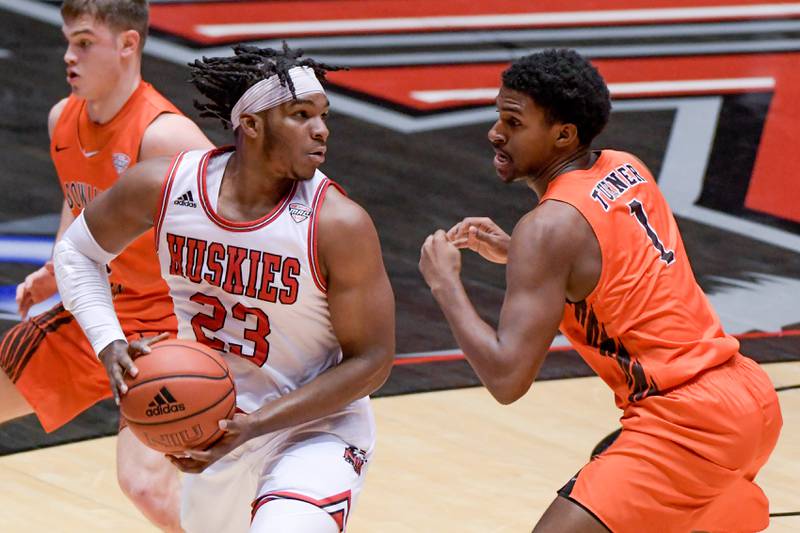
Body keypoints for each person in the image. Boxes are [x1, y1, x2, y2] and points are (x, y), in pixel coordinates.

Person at [419, 49, 782, 533]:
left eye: (514, 122)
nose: (495, 133)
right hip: (747, 395)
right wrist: (518, 254)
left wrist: (446, 285)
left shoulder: (547, 229)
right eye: (499, 117)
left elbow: (507, 379)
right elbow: (621, 263)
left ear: (564, 134)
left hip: (686, 423)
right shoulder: (624, 167)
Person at [53, 43, 395, 532]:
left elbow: (373, 361)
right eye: (301, 115)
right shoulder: (167, 187)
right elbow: (76, 253)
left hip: (315, 430)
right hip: (214, 430)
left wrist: (256, 425)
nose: (321, 129)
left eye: (323, 115)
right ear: (251, 124)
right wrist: (109, 343)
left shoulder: (337, 223)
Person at [0, 0, 213, 530]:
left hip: (169, 326)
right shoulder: (63, 118)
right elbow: (80, 203)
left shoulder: (165, 135)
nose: (68, 57)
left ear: (127, 45)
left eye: (84, 43)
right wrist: (56, 268)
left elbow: (240, 229)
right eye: (68, 42)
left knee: (144, 483)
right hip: (100, 311)